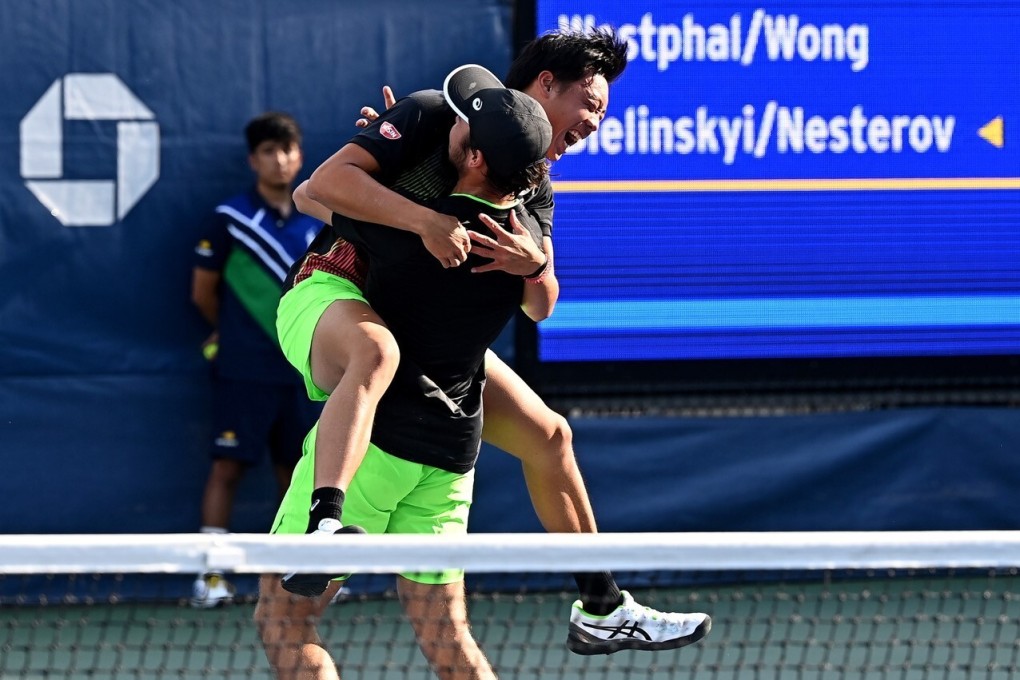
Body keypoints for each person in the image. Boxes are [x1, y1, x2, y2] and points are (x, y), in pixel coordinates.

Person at [293, 28, 711, 654]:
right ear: (545, 85)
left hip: (432, 338)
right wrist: (422, 219)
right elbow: (313, 192)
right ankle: (325, 518)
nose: (596, 124)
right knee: (376, 354)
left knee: (551, 435)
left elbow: (543, 304)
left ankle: (600, 605)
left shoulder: (534, 182)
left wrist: (530, 265)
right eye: (591, 105)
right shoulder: (434, 115)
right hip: (348, 297)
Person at [255, 67, 555, 680]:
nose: (453, 120)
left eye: (465, 123)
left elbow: (314, 194)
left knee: (283, 621)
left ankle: (326, 516)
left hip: (377, 442)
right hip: (451, 454)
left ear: (474, 157)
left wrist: (387, 161)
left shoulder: (424, 221)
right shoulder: (524, 243)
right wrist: (536, 264)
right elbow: (543, 303)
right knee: (448, 638)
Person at [189, 111, 323, 608]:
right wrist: (232, 335)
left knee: (297, 475)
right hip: (242, 369)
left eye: (288, 150)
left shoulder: (320, 218)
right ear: (253, 160)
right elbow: (203, 292)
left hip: (304, 371)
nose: (280, 159)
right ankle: (214, 575)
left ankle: (296, 574)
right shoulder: (229, 219)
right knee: (227, 467)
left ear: (300, 156)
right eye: (269, 150)